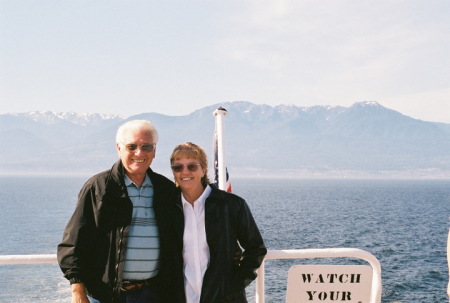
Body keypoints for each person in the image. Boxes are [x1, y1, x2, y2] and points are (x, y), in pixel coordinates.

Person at [57, 120, 177, 303]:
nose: (139, 153)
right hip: (105, 295)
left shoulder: (166, 190)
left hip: (154, 294)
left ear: (154, 151)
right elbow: (74, 242)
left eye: (146, 146)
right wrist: (77, 290)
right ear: (119, 148)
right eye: (132, 146)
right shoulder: (98, 188)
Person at [169, 142, 267, 303]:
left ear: (203, 169)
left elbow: (255, 249)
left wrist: (233, 287)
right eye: (178, 167)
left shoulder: (231, 205)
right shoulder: (168, 208)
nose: (185, 172)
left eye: (192, 166)